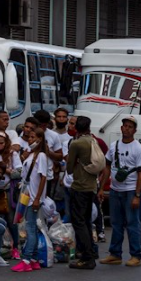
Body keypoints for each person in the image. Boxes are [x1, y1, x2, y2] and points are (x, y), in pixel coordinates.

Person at [99, 116, 141, 267]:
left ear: (135, 130)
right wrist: (101, 188)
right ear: (121, 128)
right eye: (125, 126)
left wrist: (137, 195)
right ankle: (115, 254)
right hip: (115, 190)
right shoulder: (114, 146)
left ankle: (135, 256)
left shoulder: (138, 148)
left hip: (130, 191)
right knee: (116, 223)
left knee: (132, 224)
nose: (126, 129)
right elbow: (107, 167)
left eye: (130, 127)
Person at [12, 127, 51, 273]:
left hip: (33, 197)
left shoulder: (40, 156)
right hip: (28, 195)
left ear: (40, 139)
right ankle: (34, 259)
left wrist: (36, 199)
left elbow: (43, 178)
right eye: (29, 137)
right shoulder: (32, 155)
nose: (30, 139)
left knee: (30, 228)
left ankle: (26, 259)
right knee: (32, 227)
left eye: (33, 137)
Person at [64, 116, 100, 270]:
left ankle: (86, 257)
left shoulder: (77, 143)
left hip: (80, 186)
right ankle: (90, 253)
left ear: (76, 128)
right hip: (91, 186)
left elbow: (69, 168)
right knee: (86, 221)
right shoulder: (93, 140)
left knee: (79, 222)